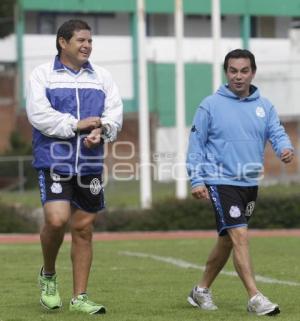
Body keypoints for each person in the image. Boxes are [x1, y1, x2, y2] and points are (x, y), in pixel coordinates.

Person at [186, 49, 294, 316]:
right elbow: (195, 145)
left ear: (252, 73)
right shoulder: (210, 105)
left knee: (227, 240)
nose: (238, 76)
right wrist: (196, 178)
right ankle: (255, 297)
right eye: (233, 70)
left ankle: (200, 291)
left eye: (244, 71)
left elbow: (276, 132)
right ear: (226, 73)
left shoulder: (264, 106)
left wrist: (285, 148)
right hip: (219, 180)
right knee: (240, 235)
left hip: (249, 183)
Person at [26, 19, 123, 315]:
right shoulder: (42, 75)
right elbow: (38, 115)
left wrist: (102, 130)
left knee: (83, 229)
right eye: (81, 40)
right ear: (62, 42)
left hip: (91, 164)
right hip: (54, 159)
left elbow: (115, 113)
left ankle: (80, 296)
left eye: (90, 41)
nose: (87, 46)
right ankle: (49, 275)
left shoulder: (102, 76)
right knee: (56, 220)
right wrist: (76, 125)